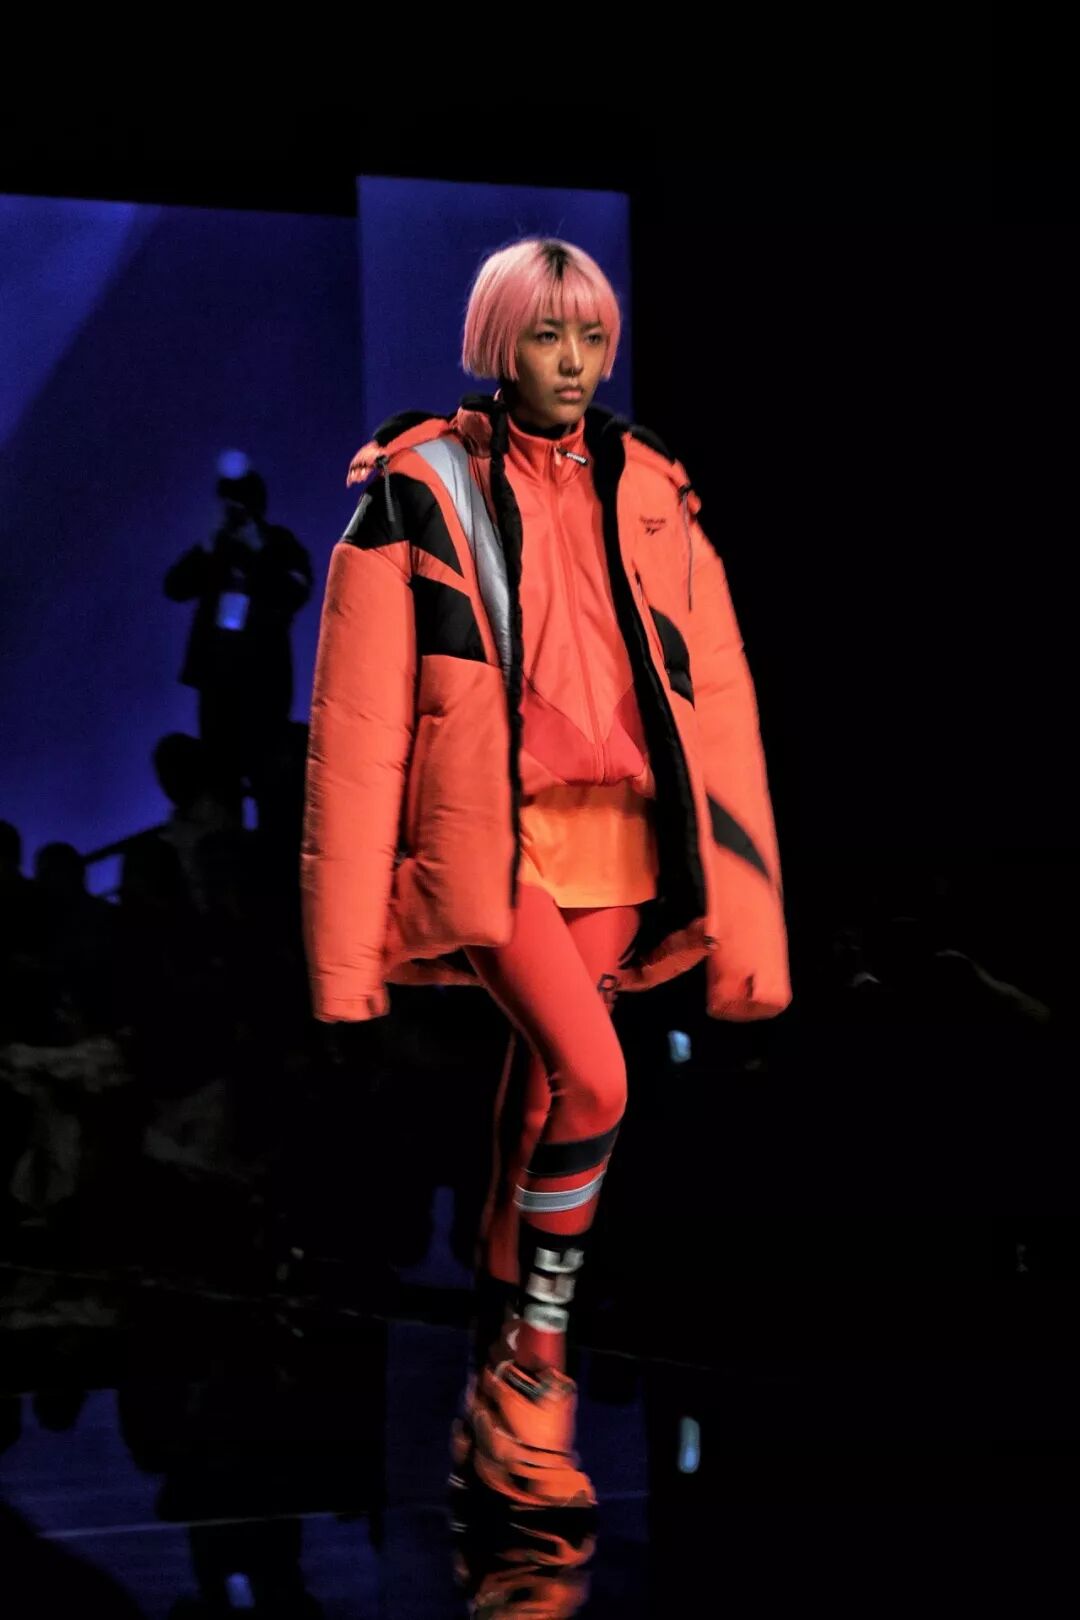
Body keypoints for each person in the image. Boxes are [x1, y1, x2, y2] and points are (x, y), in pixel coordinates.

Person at [300, 237, 792, 1512]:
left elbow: (720, 703)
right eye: (545, 336)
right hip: (494, 835)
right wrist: (344, 955)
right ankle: (537, 1382)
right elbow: (357, 723)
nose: (572, 363)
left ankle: (493, 1379)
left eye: (590, 338)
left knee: (538, 1110)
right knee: (599, 1080)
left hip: (618, 837)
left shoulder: (653, 485)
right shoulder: (421, 484)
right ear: (497, 341)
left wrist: (752, 929)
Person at [164, 468, 313, 822]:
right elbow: (174, 586)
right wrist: (207, 546)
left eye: (237, 504)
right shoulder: (217, 548)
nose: (232, 512)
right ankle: (227, 842)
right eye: (226, 505)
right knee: (221, 778)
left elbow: (296, 590)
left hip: (264, 683)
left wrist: (259, 550)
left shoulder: (278, 543)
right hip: (217, 685)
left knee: (269, 777)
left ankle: (271, 840)